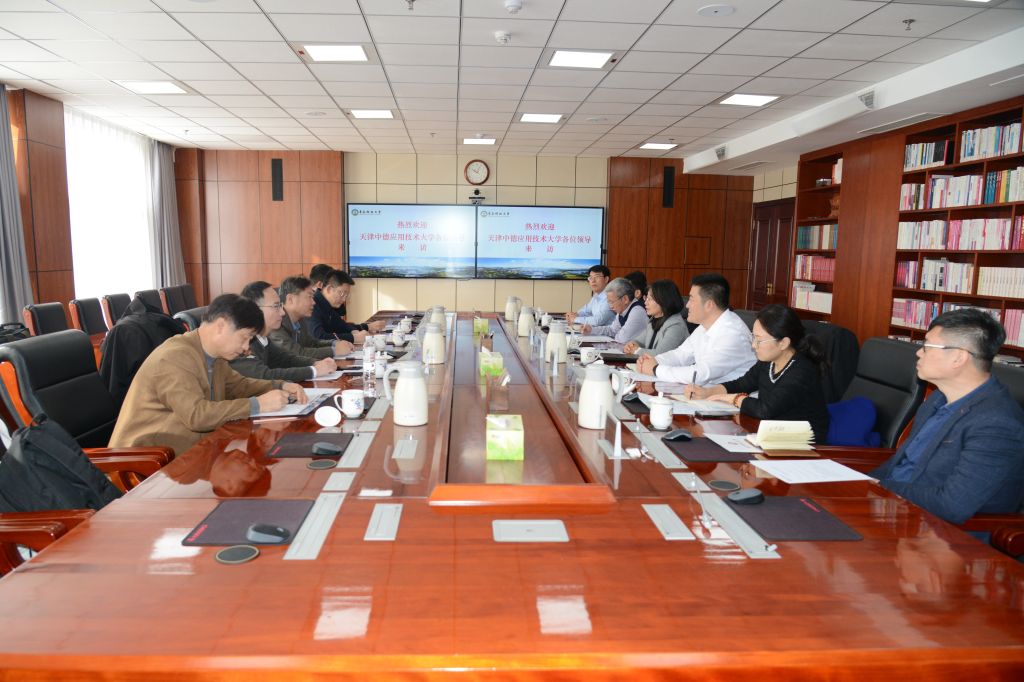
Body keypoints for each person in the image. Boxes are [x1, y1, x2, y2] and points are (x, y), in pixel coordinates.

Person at [871, 308, 1024, 525]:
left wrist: (879, 486)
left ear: (958, 357)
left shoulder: (997, 424)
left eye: (927, 346)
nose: (918, 353)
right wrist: (860, 482)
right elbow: (900, 465)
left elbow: (951, 506)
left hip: (940, 532)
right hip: (896, 508)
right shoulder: (939, 398)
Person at [109, 294, 307, 456]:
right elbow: (196, 415)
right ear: (221, 326)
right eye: (244, 338)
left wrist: (280, 385)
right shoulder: (174, 357)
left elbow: (239, 386)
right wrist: (257, 405)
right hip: (143, 464)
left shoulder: (214, 357)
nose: (246, 348)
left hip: (187, 453)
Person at [687, 304, 830, 443]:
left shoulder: (802, 371)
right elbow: (742, 384)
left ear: (783, 343)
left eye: (759, 340)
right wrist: (708, 392)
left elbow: (765, 409)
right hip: (772, 436)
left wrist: (734, 399)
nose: (753, 345)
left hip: (802, 444)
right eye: (753, 337)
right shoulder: (769, 362)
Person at [636, 273, 755, 385]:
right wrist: (655, 360)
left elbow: (700, 374)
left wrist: (656, 369)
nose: (687, 305)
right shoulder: (704, 327)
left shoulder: (732, 334)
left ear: (709, 305)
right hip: (705, 393)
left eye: (692, 299)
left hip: (731, 397)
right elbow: (680, 355)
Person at [230, 280, 337, 382]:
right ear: (255, 309)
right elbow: (264, 375)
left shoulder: (263, 339)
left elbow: (286, 360)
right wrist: (313, 370)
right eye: (276, 306)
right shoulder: (243, 343)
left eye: (280, 306)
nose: (282, 313)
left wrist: (316, 363)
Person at [269, 275, 353, 360]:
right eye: (309, 297)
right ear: (290, 299)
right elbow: (297, 353)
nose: (313, 302)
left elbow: (312, 343)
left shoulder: (300, 320)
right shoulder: (276, 323)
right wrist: (334, 351)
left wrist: (335, 343)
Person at [309, 265, 385, 333]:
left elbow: (342, 326)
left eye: (347, 295)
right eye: (342, 294)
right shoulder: (312, 305)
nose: (344, 300)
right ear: (329, 289)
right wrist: (353, 338)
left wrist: (365, 328)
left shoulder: (327, 304)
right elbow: (319, 337)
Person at [622, 279, 689, 355]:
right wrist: (630, 345)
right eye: (646, 298)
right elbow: (638, 341)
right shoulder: (654, 320)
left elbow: (661, 354)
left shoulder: (676, 326)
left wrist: (636, 351)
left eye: (650, 299)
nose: (645, 302)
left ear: (663, 301)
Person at [581, 277, 648, 345]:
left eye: (612, 302)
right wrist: (591, 329)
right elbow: (612, 330)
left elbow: (621, 339)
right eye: (608, 302)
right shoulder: (623, 309)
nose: (610, 306)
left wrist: (613, 336)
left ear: (625, 299)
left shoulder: (637, 312)